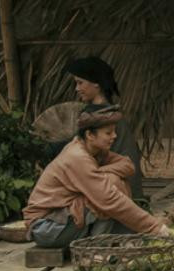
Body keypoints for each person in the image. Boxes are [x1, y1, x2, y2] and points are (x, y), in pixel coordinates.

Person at [23, 105, 171, 248]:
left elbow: (127, 165)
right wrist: (154, 227)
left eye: (114, 132)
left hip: (63, 221)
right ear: (89, 135)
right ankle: (95, 249)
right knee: (109, 190)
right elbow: (109, 200)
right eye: (108, 133)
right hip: (46, 227)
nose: (114, 136)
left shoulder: (94, 150)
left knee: (109, 182)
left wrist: (100, 173)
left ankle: (110, 241)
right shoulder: (77, 156)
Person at [63, 57, 147, 200]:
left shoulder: (100, 117)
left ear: (96, 84)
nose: (77, 88)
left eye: (80, 83)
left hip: (120, 189)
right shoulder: (107, 112)